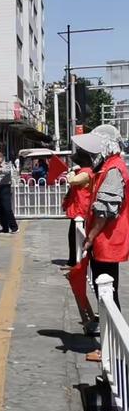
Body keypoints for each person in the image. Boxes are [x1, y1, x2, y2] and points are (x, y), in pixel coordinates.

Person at [75, 124, 129, 310]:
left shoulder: (113, 169)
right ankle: (108, 326)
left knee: (107, 290)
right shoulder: (108, 167)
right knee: (104, 288)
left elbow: (104, 210)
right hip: (103, 237)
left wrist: (90, 237)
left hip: (107, 237)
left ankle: (111, 331)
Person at [62, 148, 93, 267]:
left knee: (77, 236)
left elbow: (72, 180)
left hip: (82, 208)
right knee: (72, 236)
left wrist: (70, 171)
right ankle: (73, 258)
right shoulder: (83, 170)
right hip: (77, 207)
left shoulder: (86, 172)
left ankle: (77, 259)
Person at [0, 152, 19, 234]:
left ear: (0, 158)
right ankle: (5, 227)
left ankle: (14, 227)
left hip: (5, 187)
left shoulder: (8, 164)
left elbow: (7, 171)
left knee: (7, 208)